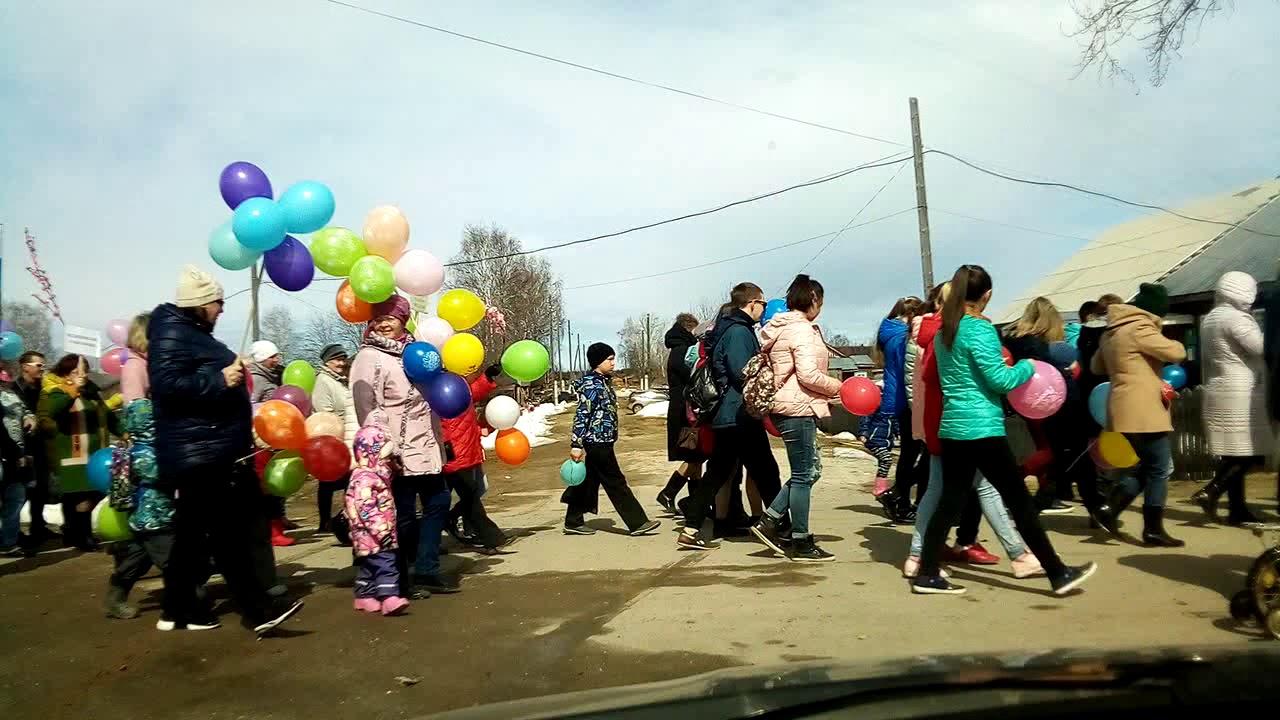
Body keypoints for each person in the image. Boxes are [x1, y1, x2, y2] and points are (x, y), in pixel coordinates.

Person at [913, 264, 1096, 596]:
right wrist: (1027, 367)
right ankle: (1057, 573)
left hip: (953, 427)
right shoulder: (979, 330)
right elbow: (1000, 380)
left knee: (948, 502)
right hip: (982, 428)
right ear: (987, 296)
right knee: (1019, 501)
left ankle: (927, 572)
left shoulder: (944, 333)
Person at [150, 265, 302, 633]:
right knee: (228, 534)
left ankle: (176, 610)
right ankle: (258, 611)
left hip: (208, 448)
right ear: (200, 303)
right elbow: (168, 386)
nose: (222, 308)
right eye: (217, 302)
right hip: (202, 452)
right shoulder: (173, 333)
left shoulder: (188, 333)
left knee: (191, 536)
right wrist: (220, 378)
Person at [902, 281, 1040, 578]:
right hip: (964, 425)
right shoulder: (952, 332)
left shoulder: (933, 334)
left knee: (950, 492)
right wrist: (1026, 367)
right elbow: (990, 378)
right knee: (972, 491)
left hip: (943, 422)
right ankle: (1017, 554)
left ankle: (925, 558)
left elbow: (921, 387)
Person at [350, 294, 458, 596]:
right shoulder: (369, 357)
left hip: (427, 447)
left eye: (391, 318)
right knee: (403, 515)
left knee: (439, 502)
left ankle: (426, 568)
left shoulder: (418, 351)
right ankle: (398, 579)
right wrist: (384, 447)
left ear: (403, 320)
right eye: (379, 319)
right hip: (394, 451)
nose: (384, 323)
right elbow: (366, 407)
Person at [677, 283, 782, 550]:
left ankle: (691, 528)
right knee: (766, 472)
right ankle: (781, 528)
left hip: (729, 414)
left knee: (718, 472)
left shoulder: (728, 328)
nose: (765, 309)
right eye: (763, 304)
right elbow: (742, 372)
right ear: (752, 303)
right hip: (739, 414)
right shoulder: (738, 332)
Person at [749, 274, 842, 561]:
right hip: (796, 410)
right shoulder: (800, 330)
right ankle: (799, 539)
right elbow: (808, 374)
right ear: (812, 299)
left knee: (809, 472)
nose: (821, 307)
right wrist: (839, 388)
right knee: (804, 475)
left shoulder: (784, 327)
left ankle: (771, 519)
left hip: (792, 407)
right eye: (821, 301)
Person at [1091, 282, 1188, 546]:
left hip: (1120, 407)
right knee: (1159, 469)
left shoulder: (1111, 331)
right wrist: (1171, 338)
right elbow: (1176, 353)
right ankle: (1153, 530)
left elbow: (1096, 366)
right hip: (1143, 409)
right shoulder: (1140, 327)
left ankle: (1109, 509)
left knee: (1144, 467)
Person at [1002, 296, 1099, 516]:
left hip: (1024, 402)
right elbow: (1052, 372)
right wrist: (1066, 372)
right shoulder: (1041, 346)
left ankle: (1045, 495)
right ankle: (1013, 481)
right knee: (1051, 452)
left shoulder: (1015, 340)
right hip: (1046, 404)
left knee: (1047, 450)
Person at [562, 343, 660, 537]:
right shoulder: (591, 384)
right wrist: (576, 444)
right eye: (609, 359)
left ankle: (573, 521)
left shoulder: (603, 382)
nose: (613, 363)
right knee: (615, 481)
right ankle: (637, 522)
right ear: (598, 362)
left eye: (613, 358)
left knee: (587, 481)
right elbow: (582, 414)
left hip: (604, 439)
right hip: (596, 441)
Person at [1192, 272, 1267, 525]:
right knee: (1248, 453)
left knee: (1234, 453)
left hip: (1218, 387)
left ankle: (1238, 508)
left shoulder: (1211, 318)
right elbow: (1261, 348)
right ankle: (1211, 491)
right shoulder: (1237, 319)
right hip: (1241, 390)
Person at [37, 353, 118, 551]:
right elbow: (55, 411)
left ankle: (76, 532)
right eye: (75, 372)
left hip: (94, 455)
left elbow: (107, 416)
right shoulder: (55, 391)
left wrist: (123, 431)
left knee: (93, 492)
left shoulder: (92, 393)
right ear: (65, 373)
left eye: (84, 372)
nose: (81, 376)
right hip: (70, 454)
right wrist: (74, 389)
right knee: (75, 496)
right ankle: (80, 536)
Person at [439, 363, 507, 553]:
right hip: (454, 454)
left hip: (467, 450)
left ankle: (447, 527)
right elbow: (443, 426)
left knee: (466, 494)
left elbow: (471, 392)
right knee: (469, 497)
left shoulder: (457, 384)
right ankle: (490, 537)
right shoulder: (436, 388)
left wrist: (487, 377)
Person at [346, 425, 410, 616]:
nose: (387, 460)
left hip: (367, 535)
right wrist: (381, 532)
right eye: (384, 456)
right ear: (372, 453)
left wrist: (394, 465)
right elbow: (365, 509)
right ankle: (389, 597)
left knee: (369, 565)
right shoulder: (365, 479)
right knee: (386, 564)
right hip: (375, 533)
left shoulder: (373, 475)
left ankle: (364, 596)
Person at [862, 298, 918, 499]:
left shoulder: (889, 335)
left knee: (908, 455)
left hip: (896, 400)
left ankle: (898, 497)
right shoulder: (903, 339)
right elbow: (911, 373)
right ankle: (897, 497)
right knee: (916, 456)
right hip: (908, 400)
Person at [657, 313, 704, 515]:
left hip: (684, 409)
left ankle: (695, 502)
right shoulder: (682, 351)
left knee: (697, 456)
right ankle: (669, 492)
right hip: (685, 411)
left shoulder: (678, 349)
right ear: (688, 329)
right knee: (695, 456)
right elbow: (692, 375)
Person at [311, 343, 355, 534]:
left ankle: (348, 516)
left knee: (348, 479)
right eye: (337, 359)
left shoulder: (341, 380)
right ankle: (324, 521)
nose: (341, 363)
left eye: (343, 358)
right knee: (328, 481)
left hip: (346, 435)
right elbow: (323, 411)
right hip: (332, 437)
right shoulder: (323, 381)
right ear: (327, 362)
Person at [15, 351, 51, 546]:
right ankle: (15, 532)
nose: (42, 369)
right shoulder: (14, 389)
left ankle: (38, 525)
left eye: (43, 365)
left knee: (40, 489)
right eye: (38, 365)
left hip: (41, 445)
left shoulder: (42, 390)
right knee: (22, 490)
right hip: (22, 447)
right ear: (25, 366)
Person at [0, 376, 32, 556]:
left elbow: (25, 410)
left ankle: (9, 542)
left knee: (16, 497)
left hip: (14, 453)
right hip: (8, 453)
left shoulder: (13, 393)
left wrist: (29, 417)